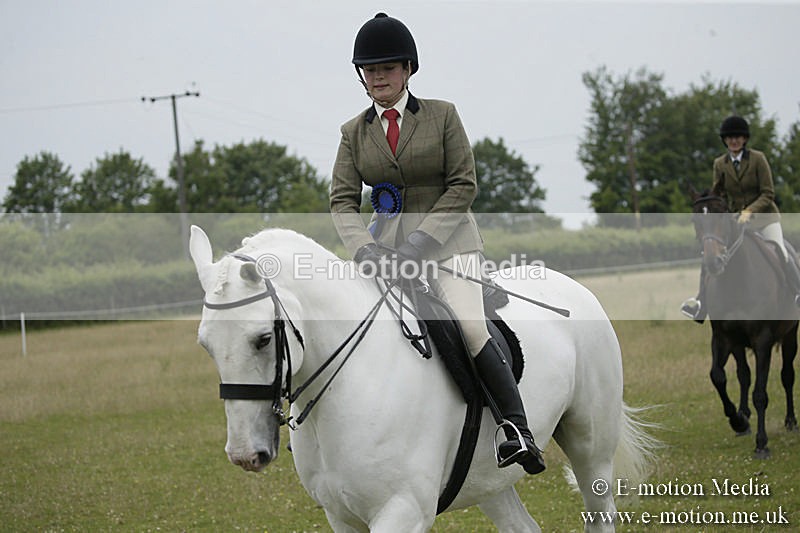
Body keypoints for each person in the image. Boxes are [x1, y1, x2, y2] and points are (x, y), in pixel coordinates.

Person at [329, 12, 545, 475]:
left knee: (469, 327)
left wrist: (422, 241)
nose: (378, 76)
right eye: (370, 69)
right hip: (384, 254)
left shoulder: (443, 115)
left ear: (408, 69)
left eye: (387, 67)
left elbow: (463, 184)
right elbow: (342, 202)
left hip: (449, 245)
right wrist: (364, 250)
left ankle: (516, 429)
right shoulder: (353, 133)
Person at [681, 115, 800, 321]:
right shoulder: (720, 164)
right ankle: (701, 303)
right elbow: (719, 193)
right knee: (709, 254)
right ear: (725, 140)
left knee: (782, 251)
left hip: (765, 219)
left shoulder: (758, 159)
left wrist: (749, 211)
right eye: (729, 138)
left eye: (737, 137)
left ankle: (797, 293)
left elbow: (768, 193)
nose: (733, 141)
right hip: (735, 222)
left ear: (744, 139)